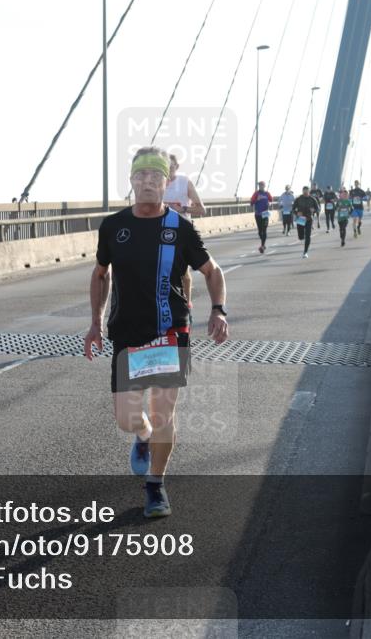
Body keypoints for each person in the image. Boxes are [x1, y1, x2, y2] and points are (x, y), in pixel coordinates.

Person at [84, 147, 229, 518]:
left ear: (167, 182)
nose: (148, 182)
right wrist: (95, 323)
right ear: (131, 181)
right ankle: (142, 437)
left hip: (169, 332)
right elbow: (101, 274)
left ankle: (156, 486)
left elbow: (212, 272)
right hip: (126, 334)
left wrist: (217, 310)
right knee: (127, 418)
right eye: (141, 176)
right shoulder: (114, 226)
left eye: (155, 176)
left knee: (163, 414)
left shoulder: (180, 227)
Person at [163, 153, 206, 307]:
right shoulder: (155, 184)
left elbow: (202, 210)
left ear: (177, 167)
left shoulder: (184, 182)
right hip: (159, 231)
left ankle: (186, 303)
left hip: (181, 230)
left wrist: (182, 208)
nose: (168, 170)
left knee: (183, 272)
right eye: (165, 166)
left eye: (171, 166)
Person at [293, 186, 319, 258]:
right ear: (302, 191)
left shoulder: (312, 199)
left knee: (308, 236)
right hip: (300, 219)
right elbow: (293, 209)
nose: (305, 192)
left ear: (309, 191)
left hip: (308, 219)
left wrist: (313, 210)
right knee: (301, 237)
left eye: (306, 191)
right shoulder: (298, 199)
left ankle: (305, 252)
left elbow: (318, 208)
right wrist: (296, 213)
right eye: (304, 191)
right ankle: (302, 236)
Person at [250, 181, 272, 253]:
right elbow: (251, 203)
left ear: (264, 186)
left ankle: (262, 245)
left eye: (262, 185)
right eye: (260, 185)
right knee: (260, 232)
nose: (261, 186)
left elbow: (271, 200)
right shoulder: (256, 193)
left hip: (265, 213)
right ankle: (263, 244)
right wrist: (257, 200)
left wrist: (269, 203)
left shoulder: (267, 194)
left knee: (264, 229)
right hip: (258, 214)